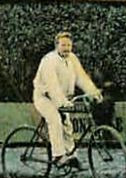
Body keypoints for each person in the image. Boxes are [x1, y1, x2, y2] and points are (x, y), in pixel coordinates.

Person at [31, 32, 102, 166]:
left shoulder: (72, 58)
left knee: (67, 125)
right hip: (44, 97)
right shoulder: (49, 60)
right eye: (63, 45)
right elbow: (52, 86)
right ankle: (58, 155)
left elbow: (81, 77)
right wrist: (63, 103)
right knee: (55, 120)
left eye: (69, 45)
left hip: (62, 97)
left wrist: (93, 92)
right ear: (57, 45)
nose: (67, 48)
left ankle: (70, 155)